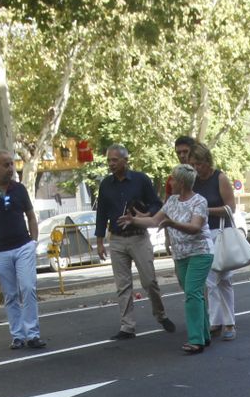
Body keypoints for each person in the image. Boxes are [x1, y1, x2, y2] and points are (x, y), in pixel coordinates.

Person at [122, 164, 213, 354]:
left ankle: (196, 340)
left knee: (192, 292)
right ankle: (204, 334)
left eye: (173, 179)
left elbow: (195, 227)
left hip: (200, 252)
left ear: (182, 182)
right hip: (180, 254)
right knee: (193, 293)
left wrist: (173, 223)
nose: (170, 182)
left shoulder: (199, 201)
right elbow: (155, 221)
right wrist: (135, 221)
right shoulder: (172, 201)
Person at [94, 145, 175, 340]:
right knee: (122, 285)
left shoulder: (141, 180)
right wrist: (99, 242)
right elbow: (101, 213)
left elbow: (156, 203)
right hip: (117, 240)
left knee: (149, 281)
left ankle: (160, 314)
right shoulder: (105, 184)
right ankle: (127, 326)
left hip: (139, 236)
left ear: (125, 160)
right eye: (109, 161)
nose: (111, 164)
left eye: (114, 160)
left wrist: (147, 214)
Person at [0, 150, 46, 350]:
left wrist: (33, 242)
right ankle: (17, 336)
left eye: (12, 164)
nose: (10, 168)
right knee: (10, 294)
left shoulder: (19, 189)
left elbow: (31, 216)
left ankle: (32, 334)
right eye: (6, 165)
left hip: (23, 246)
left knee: (28, 288)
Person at [188, 142, 239, 342]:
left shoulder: (220, 178)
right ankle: (215, 321)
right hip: (202, 235)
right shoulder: (193, 182)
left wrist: (205, 210)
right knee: (210, 281)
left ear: (207, 162)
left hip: (220, 231)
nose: (195, 168)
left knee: (224, 277)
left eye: (198, 164)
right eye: (192, 164)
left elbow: (230, 208)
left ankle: (230, 322)